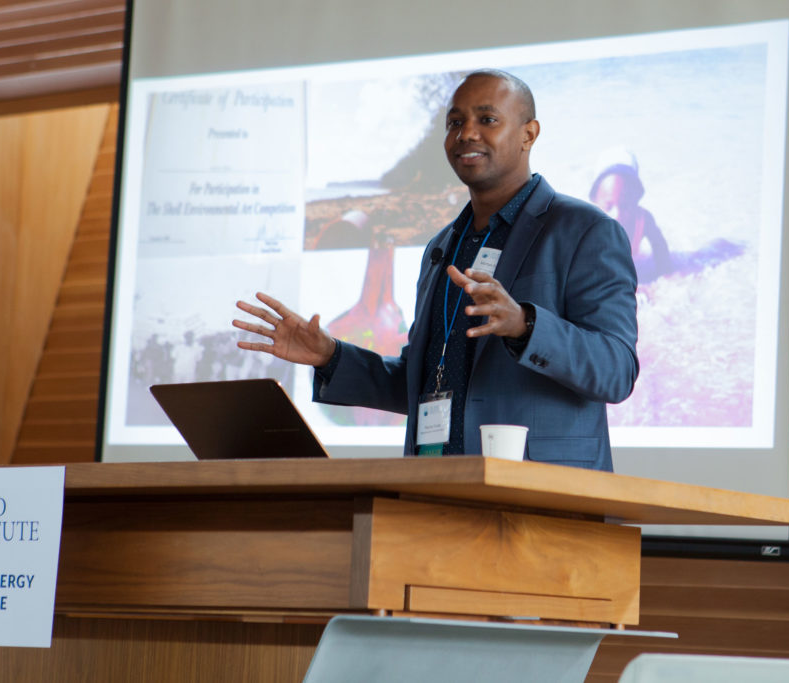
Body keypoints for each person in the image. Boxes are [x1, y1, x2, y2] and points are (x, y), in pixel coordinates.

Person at [234, 70, 638, 471]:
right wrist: (330, 356)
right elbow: (423, 380)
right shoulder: (443, 246)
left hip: (540, 493)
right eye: (455, 123)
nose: (467, 134)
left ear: (528, 134)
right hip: (437, 486)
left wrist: (525, 325)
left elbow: (616, 370)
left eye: (487, 120)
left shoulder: (585, 231)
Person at [589, 148, 674, 283]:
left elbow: (662, 254)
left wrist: (667, 280)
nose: (617, 215)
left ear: (636, 199)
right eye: (609, 207)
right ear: (594, 202)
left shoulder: (643, 220)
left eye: (624, 206)